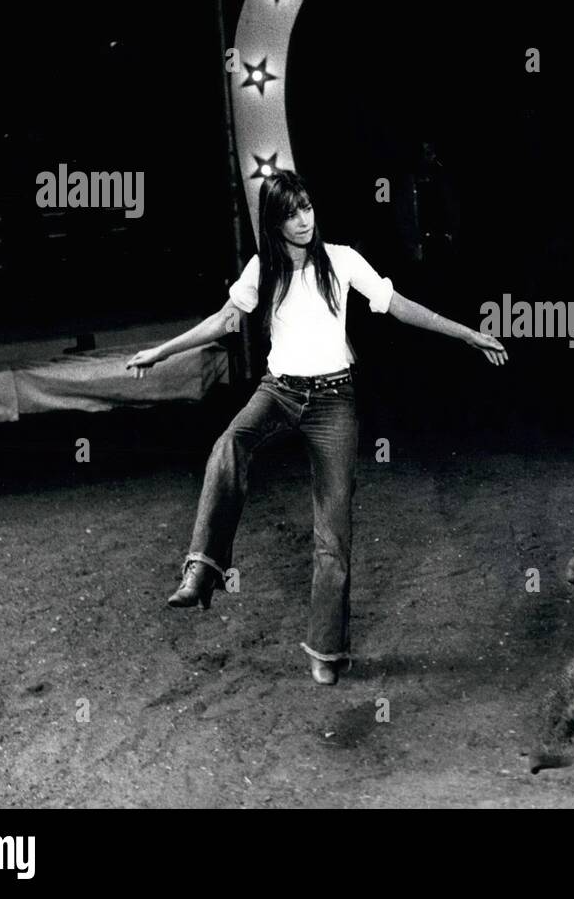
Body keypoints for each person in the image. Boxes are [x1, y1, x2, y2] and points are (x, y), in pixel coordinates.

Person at [125, 170, 507, 684]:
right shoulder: (263, 269)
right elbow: (221, 322)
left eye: (306, 207)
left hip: (334, 402)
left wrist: (466, 334)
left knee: (333, 530)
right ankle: (203, 566)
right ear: (274, 222)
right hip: (278, 392)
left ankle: (326, 651)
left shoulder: (344, 260)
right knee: (230, 442)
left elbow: (398, 306)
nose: (303, 220)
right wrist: (162, 350)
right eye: (290, 213)